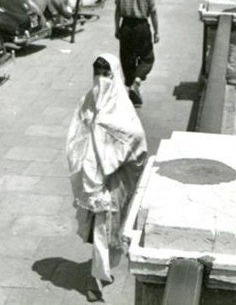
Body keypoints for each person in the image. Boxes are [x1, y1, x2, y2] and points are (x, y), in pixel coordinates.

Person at [67, 54, 148, 302]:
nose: (101, 78)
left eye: (106, 73)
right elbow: (76, 132)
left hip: (114, 177)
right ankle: (97, 275)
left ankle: (97, 276)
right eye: (97, 72)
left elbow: (134, 137)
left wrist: (109, 155)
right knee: (99, 227)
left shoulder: (121, 105)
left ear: (114, 74)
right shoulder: (88, 99)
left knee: (107, 227)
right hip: (91, 175)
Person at [115, 0, 158, 106]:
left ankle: (131, 86)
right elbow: (153, 13)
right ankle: (137, 82)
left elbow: (117, 11)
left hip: (126, 26)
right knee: (147, 58)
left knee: (127, 58)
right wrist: (157, 31)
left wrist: (117, 28)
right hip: (142, 27)